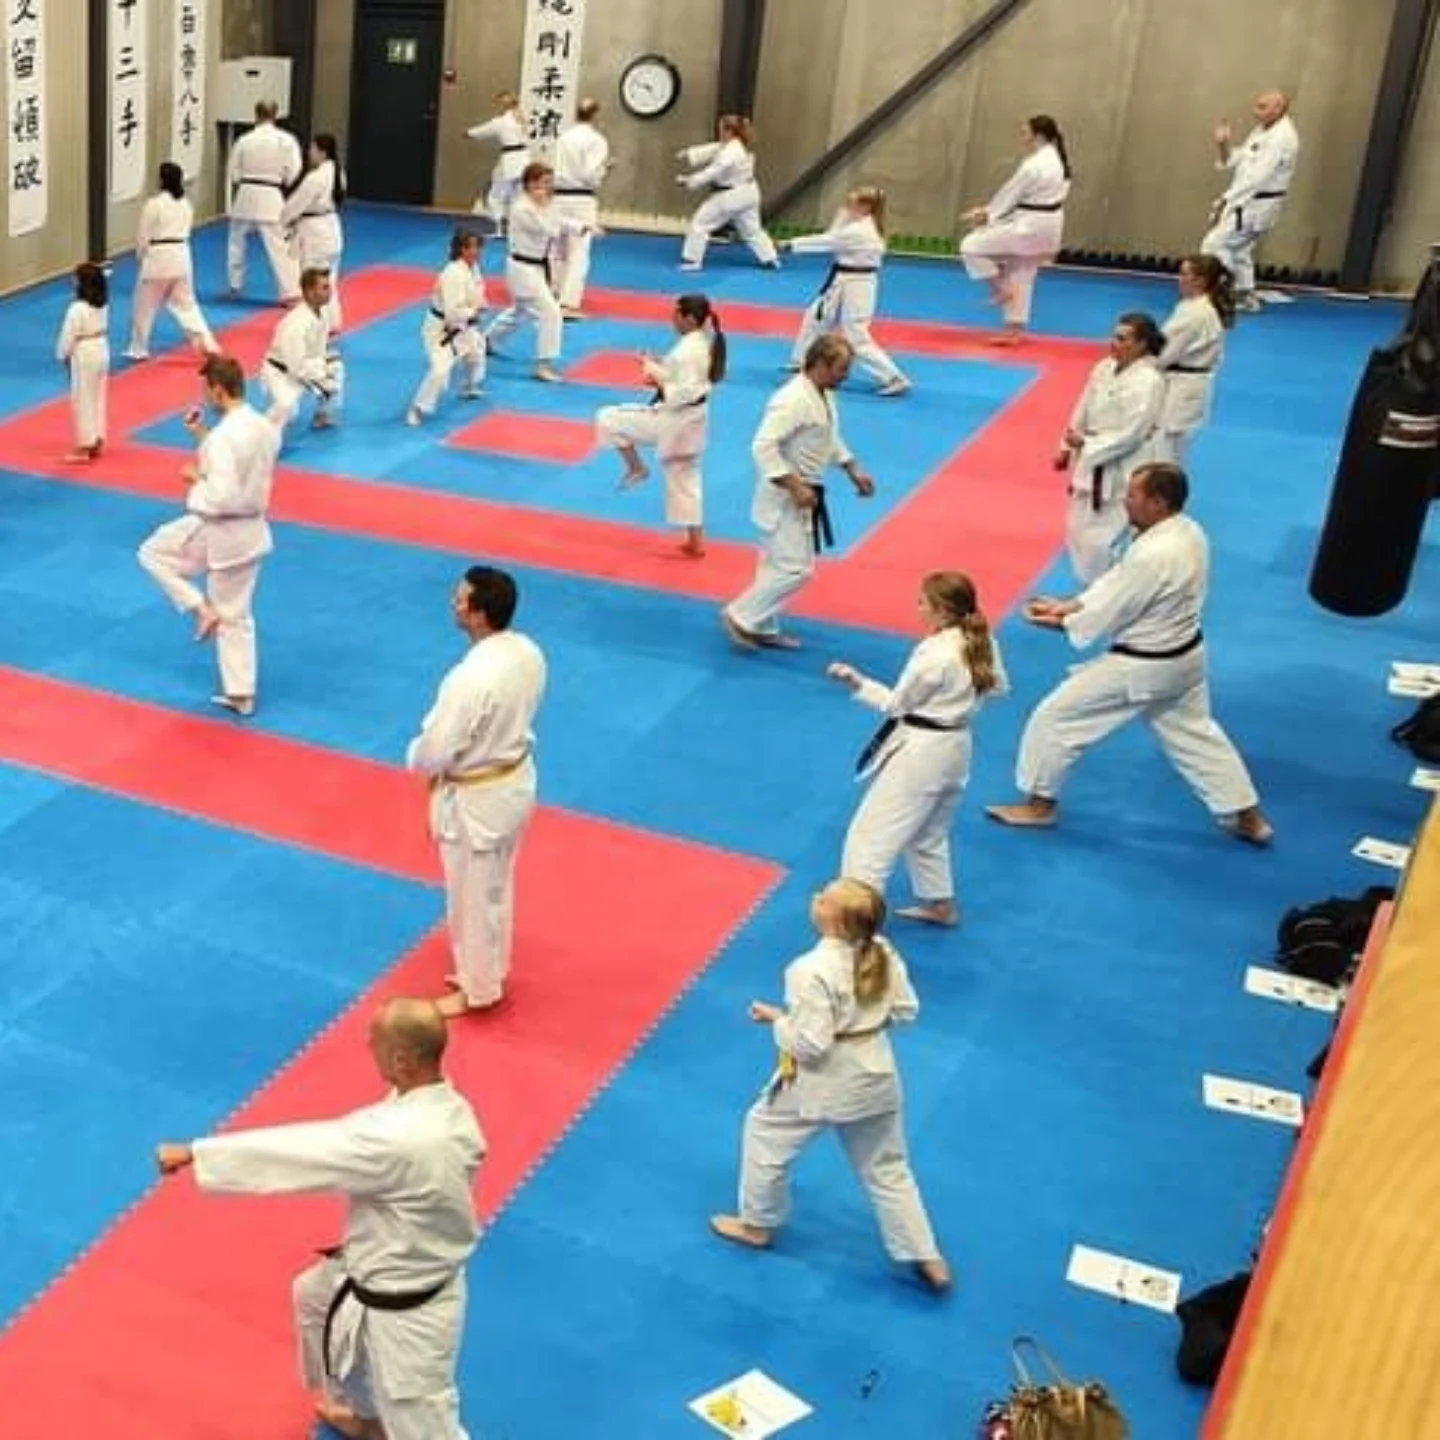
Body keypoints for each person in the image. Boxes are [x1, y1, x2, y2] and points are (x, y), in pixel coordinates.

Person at [155, 997, 485, 1440]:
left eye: (375, 1043)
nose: (368, 1048)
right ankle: (368, 1418)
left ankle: (384, 1418)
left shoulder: (398, 1140)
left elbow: (304, 1152)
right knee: (315, 1297)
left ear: (402, 1060)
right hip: (387, 1268)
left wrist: (199, 1153)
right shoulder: (448, 1107)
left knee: (420, 1420)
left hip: (409, 1305)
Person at [986, 463, 1274, 845]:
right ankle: (1250, 818)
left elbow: (1114, 606)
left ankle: (1039, 807)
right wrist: (1069, 605)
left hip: (1144, 666)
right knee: (1196, 736)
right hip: (1186, 658)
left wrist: (1060, 622)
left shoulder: (1154, 555)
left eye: (1133, 495)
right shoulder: (1188, 531)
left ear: (1158, 502)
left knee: (1055, 718)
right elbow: (1117, 584)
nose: (1125, 500)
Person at [709, 878, 952, 1293]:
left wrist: (778, 1021)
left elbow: (811, 1045)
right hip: (877, 1075)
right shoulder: (883, 950)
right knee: (888, 1167)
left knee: (764, 1133)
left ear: (836, 923)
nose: (815, 898)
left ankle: (757, 1225)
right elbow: (906, 1010)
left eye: (824, 899)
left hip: (825, 1082)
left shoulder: (808, 970)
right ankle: (926, 1254)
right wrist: (860, 1025)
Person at [406, 566, 547, 1018]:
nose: (454, 602)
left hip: (477, 800)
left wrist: (417, 758)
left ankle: (479, 988)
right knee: (496, 885)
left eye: (461, 598)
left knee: (471, 896)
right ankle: (490, 967)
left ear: (480, 614)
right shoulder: (528, 651)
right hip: (514, 782)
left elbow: (437, 748)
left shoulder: (469, 679)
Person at [827, 572, 1006, 927]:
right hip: (957, 745)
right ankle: (941, 905)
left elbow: (897, 705)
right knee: (929, 832)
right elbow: (997, 687)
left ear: (942, 611)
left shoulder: (936, 655)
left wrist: (857, 682)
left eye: (923, 602)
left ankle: (855, 923)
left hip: (923, 753)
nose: (917, 608)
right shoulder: (982, 641)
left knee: (870, 837)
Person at [136, 354, 280, 718]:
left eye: (206, 390)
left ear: (218, 391)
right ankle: (240, 690)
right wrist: (202, 435)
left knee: (154, 556)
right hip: (249, 531)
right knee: (235, 613)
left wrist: (195, 480)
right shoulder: (264, 426)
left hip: (223, 531)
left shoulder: (225, 438)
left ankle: (202, 611)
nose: (205, 396)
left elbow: (222, 495)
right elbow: (238, 462)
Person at [722, 334, 876, 651]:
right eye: (842, 369)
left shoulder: (823, 394)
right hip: (783, 495)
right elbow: (762, 446)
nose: (846, 375)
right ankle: (741, 615)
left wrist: (852, 468)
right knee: (797, 569)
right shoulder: (791, 399)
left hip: (803, 493)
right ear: (820, 364)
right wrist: (794, 486)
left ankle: (762, 625)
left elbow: (827, 436)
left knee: (774, 566)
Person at [595, 293, 727, 558]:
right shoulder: (702, 342)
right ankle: (696, 542)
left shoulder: (688, 351)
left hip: (674, 420)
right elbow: (685, 381)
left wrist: (654, 373)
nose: (672, 318)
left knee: (607, 417)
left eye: (676, 314)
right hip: (693, 420)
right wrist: (656, 367)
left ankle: (636, 467)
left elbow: (681, 392)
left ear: (689, 319)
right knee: (685, 478)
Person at [1056, 311, 1165, 584]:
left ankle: (1104, 591)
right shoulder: (1103, 367)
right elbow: (1082, 408)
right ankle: (1091, 589)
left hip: (1121, 467)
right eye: (1114, 336)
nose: (1113, 343)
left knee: (1103, 540)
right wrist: (1066, 445)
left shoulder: (1149, 381)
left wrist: (1087, 443)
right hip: (1090, 460)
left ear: (1141, 344)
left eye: (1122, 338)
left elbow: (1133, 433)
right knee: (1076, 530)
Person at [783, 186, 910, 396]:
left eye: (852, 204)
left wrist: (791, 244)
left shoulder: (860, 230)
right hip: (843, 279)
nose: (847, 206)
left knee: (855, 335)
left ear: (866, 207)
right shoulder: (856, 223)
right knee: (816, 317)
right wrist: (843, 213)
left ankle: (894, 377)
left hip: (858, 284)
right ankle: (802, 361)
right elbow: (833, 234)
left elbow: (828, 241)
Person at [958, 115, 1072, 344]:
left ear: (1038, 135)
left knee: (970, 245)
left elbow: (1010, 193)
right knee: (1021, 274)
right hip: (1048, 226)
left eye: (1026, 131)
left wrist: (986, 214)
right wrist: (990, 213)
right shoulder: (1058, 159)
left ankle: (999, 289)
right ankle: (1013, 332)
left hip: (1030, 227)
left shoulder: (1035, 164)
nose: (1022, 135)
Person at [483, 163, 587, 383]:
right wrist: (545, 205)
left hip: (536, 267)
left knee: (519, 311)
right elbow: (550, 229)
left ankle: (486, 341)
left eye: (550, 182)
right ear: (531, 184)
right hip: (522, 268)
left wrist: (581, 226)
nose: (549, 186)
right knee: (551, 312)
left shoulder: (543, 204)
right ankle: (543, 365)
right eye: (545, 182)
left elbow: (558, 219)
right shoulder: (522, 208)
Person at [1200, 91, 1299, 313]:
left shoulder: (1281, 138)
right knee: (1239, 249)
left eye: (1262, 107)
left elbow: (1257, 178)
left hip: (1256, 203)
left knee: (1215, 245)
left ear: (1279, 109)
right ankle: (1245, 295)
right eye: (1256, 106)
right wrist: (1223, 145)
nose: (1256, 112)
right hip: (1248, 201)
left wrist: (1225, 201)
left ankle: (1224, 295)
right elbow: (1237, 160)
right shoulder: (1261, 130)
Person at [126, 161, 218, 360]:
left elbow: (143, 235)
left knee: (144, 307)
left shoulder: (154, 204)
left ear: (161, 180)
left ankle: (139, 348)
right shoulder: (185, 204)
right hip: (182, 255)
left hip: (158, 257)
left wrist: (140, 256)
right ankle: (208, 344)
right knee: (188, 306)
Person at [1155, 254, 1235, 465]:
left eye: (1184, 274)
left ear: (1200, 280)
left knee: (1165, 448)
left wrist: (1140, 366)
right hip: (1191, 383)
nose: (1179, 279)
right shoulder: (1194, 306)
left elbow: (1165, 355)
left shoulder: (1196, 313)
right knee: (1173, 448)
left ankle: (1166, 485)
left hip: (1183, 386)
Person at [676, 114, 780, 272]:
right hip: (749, 194)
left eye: (720, 129)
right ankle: (770, 258)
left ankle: (692, 260)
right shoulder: (738, 144)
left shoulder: (731, 152)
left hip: (731, 196)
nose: (718, 131)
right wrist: (689, 153)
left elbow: (713, 171)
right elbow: (715, 148)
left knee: (700, 223)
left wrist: (689, 181)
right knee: (752, 230)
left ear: (729, 131)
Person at [408, 229, 487, 427]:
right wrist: (474, 312)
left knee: (476, 350)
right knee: (440, 371)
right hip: (440, 329)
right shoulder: (453, 273)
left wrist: (480, 304)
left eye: (478, 247)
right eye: (471, 247)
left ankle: (468, 386)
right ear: (460, 249)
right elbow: (453, 311)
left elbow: (476, 293)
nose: (476, 251)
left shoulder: (473, 268)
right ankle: (417, 408)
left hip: (463, 325)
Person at [226, 99, 303, 301]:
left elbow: (233, 171)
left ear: (256, 114)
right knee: (280, 246)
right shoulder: (286, 140)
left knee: (236, 242)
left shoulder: (244, 140)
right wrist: (285, 180)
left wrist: (241, 180)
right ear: (275, 114)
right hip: (271, 195)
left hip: (245, 194)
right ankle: (290, 293)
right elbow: (294, 169)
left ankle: (235, 286)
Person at [260, 266, 344, 438]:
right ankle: (259, 436)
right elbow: (296, 367)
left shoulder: (322, 312)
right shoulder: (297, 324)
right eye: (324, 287)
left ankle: (323, 414)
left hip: (306, 365)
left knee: (336, 366)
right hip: (280, 372)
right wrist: (321, 378)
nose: (330, 291)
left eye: (329, 286)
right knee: (288, 408)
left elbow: (321, 349)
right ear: (310, 292)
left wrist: (326, 369)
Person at [552, 97, 610, 319]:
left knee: (557, 249)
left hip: (558, 196)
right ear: (595, 115)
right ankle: (568, 303)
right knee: (578, 252)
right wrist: (605, 169)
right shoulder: (596, 140)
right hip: (582, 199)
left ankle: (553, 292)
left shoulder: (563, 137)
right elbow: (590, 175)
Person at [281, 133, 346, 332]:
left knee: (313, 281)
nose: (310, 153)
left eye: (312, 149)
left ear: (322, 152)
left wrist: (284, 219)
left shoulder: (315, 178)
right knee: (329, 279)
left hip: (315, 232)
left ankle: (318, 323)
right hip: (332, 227)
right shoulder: (339, 173)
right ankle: (332, 321)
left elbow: (295, 205)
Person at [56, 262, 109, 463]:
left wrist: (63, 354)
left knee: (83, 398)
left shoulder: (76, 308)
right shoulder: (102, 303)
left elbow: (68, 335)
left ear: (82, 283)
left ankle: (84, 446)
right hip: (101, 346)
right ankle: (97, 438)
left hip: (84, 350)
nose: (73, 281)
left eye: (76, 278)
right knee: (98, 396)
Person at [466, 91, 529, 235]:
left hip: (509, 162)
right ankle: (514, 228)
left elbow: (482, 131)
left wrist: (468, 133)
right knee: (517, 196)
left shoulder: (501, 121)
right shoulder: (521, 118)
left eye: (497, 103)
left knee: (495, 196)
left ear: (502, 105)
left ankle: (500, 228)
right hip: (524, 159)